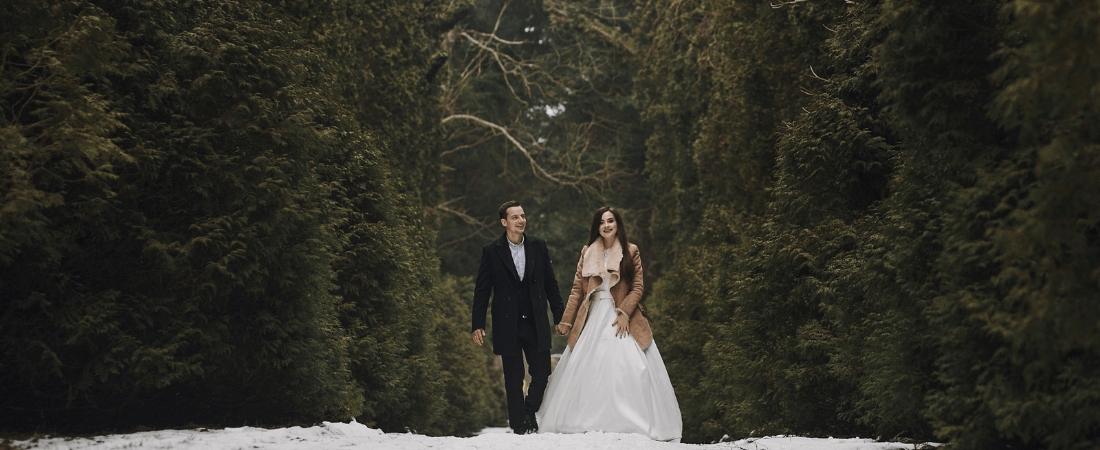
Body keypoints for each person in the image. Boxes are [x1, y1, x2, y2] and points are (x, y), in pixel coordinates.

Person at [536, 206, 682, 441]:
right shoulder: (587, 252)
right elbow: (577, 290)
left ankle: (634, 422)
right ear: (597, 227)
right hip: (593, 316)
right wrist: (566, 320)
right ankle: (587, 421)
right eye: (602, 222)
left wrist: (624, 312)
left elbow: (637, 287)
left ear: (618, 224)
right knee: (586, 367)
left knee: (631, 367)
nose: (606, 225)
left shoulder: (631, 251)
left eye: (611, 221)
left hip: (621, 316)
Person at [472, 200, 566, 435]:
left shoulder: (538, 246)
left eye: (523, 216)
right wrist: (477, 324)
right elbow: (482, 290)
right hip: (507, 323)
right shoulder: (491, 251)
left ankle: (528, 412)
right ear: (504, 222)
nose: (521, 220)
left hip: (536, 320)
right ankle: (518, 425)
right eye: (515, 217)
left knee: (542, 372)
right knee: (513, 379)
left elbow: (551, 285)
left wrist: (559, 317)